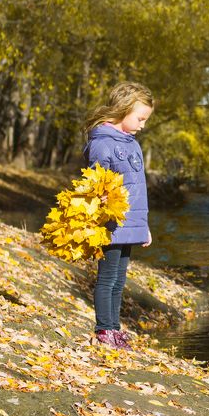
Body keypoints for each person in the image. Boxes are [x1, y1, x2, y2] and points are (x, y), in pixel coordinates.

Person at [83, 81, 154, 349]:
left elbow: (137, 190)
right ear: (123, 109)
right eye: (140, 118)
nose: (142, 125)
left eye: (145, 120)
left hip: (130, 223)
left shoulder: (132, 144)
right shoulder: (102, 143)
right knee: (107, 277)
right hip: (110, 223)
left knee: (119, 280)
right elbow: (93, 182)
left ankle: (114, 327)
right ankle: (104, 330)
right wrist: (99, 196)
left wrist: (143, 226)